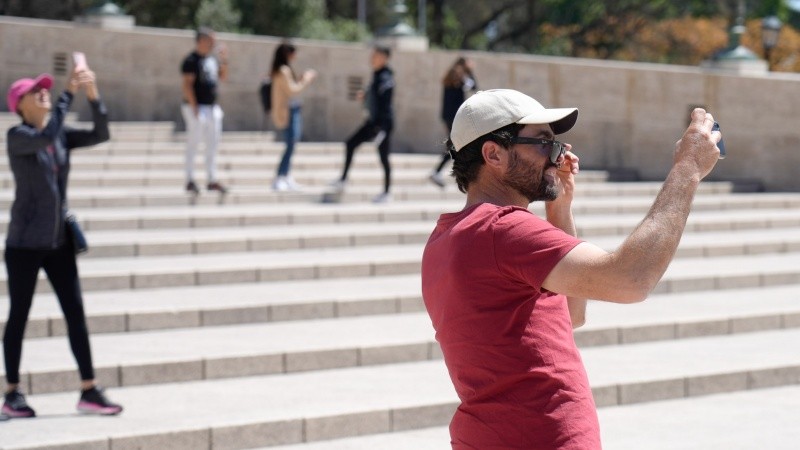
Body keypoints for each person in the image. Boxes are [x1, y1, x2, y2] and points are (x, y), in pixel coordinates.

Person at [421, 89, 721, 448]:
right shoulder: (503, 229)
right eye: (544, 144)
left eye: (558, 145)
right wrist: (687, 170)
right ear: (493, 154)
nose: (558, 156)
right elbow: (631, 279)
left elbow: (569, 314)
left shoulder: (449, 235)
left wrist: (559, 211)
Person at [3, 67, 124, 417]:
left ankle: (89, 389)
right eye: (35, 92)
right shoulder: (18, 136)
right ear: (20, 105)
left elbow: (101, 134)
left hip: (58, 242)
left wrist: (93, 94)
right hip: (24, 244)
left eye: (46, 90)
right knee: (19, 316)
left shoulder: (59, 134)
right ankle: (11, 394)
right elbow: (45, 136)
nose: (45, 93)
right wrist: (66, 95)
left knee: (75, 314)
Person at [331, 45, 395, 203]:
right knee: (350, 144)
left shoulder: (386, 77)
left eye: (376, 55)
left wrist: (382, 128)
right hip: (373, 123)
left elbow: (384, 102)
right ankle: (344, 179)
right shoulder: (378, 75)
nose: (372, 58)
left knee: (383, 157)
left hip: (381, 125)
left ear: (384, 57)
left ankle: (386, 193)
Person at [181, 26, 228, 195]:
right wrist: (194, 107)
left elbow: (223, 77)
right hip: (196, 107)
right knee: (193, 144)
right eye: (211, 39)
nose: (214, 43)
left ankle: (212, 179)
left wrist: (224, 59)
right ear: (201, 40)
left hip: (212, 107)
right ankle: (189, 179)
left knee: (213, 144)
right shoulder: (191, 60)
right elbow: (187, 85)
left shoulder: (212, 60)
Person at [269, 42, 317, 191]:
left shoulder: (283, 70)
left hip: (292, 110)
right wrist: (306, 79)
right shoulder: (283, 70)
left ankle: (286, 175)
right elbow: (293, 90)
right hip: (288, 112)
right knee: (290, 143)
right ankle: (280, 176)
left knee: (292, 143)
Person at [429, 57, 478, 188]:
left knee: (454, 145)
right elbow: (474, 87)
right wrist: (471, 71)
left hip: (447, 116)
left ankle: (438, 171)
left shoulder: (450, 75)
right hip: (455, 116)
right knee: (455, 145)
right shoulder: (461, 75)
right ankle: (437, 171)